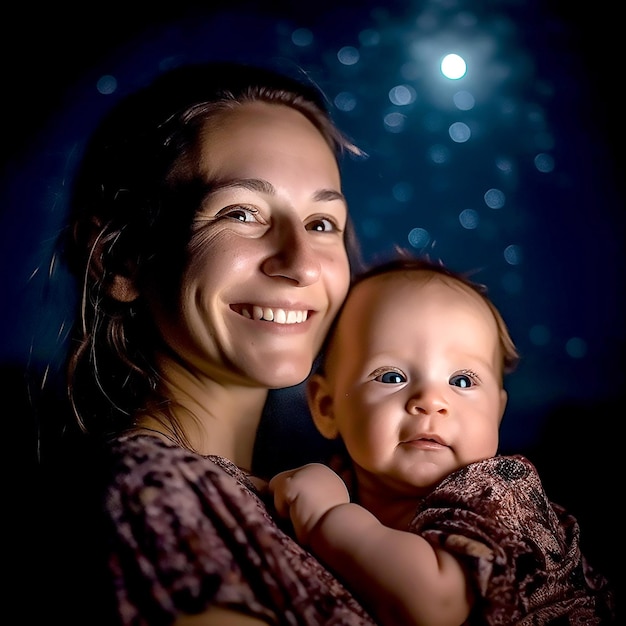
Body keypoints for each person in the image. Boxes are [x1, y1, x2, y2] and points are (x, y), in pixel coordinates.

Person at [40, 61, 379, 626]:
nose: (299, 266)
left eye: (323, 223)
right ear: (119, 259)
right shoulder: (153, 499)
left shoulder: (304, 499)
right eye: (241, 213)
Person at [269, 255, 616, 625]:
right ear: (327, 407)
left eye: (462, 381)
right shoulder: (332, 480)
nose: (431, 401)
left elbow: (436, 605)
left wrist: (325, 515)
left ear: (496, 412)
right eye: (391, 376)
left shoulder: (501, 492)